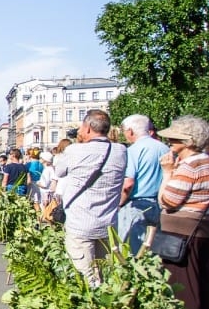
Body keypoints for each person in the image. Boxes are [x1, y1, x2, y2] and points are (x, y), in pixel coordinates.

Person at [53, 110, 127, 286]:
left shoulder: (74, 150)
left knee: (85, 277)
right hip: (108, 224)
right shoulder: (120, 151)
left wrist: (77, 142)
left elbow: (59, 171)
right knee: (106, 274)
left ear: (87, 128)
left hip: (80, 224)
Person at [156, 115, 209, 309]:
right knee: (202, 285)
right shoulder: (205, 161)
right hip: (200, 231)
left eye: (174, 139)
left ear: (187, 141)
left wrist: (167, 173)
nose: (170, 143)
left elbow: (168, 200)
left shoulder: (190, 165)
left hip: (181, 234)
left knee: (182, 289)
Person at [117, 114, 169, 255]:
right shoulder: (165, 148)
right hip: (159, 203)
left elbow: (128, 183)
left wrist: (119, 203)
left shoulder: (133, 150)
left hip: (136, 205)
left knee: (132, 251)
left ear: (130, 131)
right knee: (154, 250)